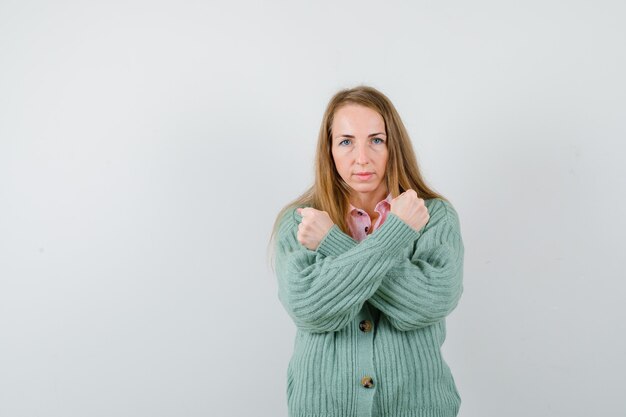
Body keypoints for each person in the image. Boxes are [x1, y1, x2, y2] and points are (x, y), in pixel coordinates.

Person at [267, 85, 465, 417]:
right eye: (346, 142)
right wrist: (394, 238)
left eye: (376, 140)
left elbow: (429, 302)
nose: (362, 158)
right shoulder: (302, 222)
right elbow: (310, 308)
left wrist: (332, 241)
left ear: (393, 146)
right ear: (328, 150)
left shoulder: (433, 217)